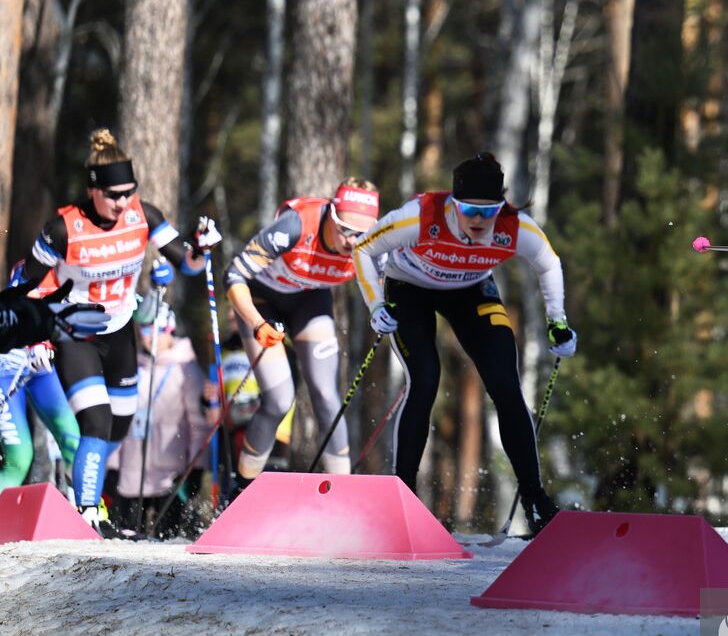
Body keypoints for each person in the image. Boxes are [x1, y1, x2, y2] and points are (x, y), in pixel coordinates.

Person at [352, 153, 574, 534]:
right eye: (469, 209)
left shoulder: (515, 227)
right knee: (425, 380)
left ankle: (535, 498)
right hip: (410, 288)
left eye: (488, 212)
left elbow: (549, 263)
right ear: (453, 203)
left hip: (471, 290)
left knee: (506, 384)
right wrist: (376, 305)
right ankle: (402, 497)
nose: (477, 220)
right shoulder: (419, 216)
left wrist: (559, 323)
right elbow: (362, 249)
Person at [18, 129, 219, 532]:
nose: (122, 202)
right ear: (93, 189)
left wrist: (202, 247)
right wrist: (35, 333)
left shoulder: (144, 215)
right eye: (113, 195)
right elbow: (26, 282)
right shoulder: (64, 227)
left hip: (120, 331)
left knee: (120, 425)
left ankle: (85, 484)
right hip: (74, 333)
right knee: (96, 422)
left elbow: (189, 264)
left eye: (129, 192)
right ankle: (88, 511)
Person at [223, 179, 381, 500]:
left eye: (363, 234)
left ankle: (342, 500)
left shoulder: (373, 244)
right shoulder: (297, 225)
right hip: (262, 301)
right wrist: (256, 324)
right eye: (347, 231)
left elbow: (398, 282)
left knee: (326, 395)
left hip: (309, 300)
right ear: (332, 217)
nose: (354, 242)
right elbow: (234, 275)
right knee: (280, 398)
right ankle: (240, 495)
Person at [110, 304, 208, 536]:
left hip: (171, 473)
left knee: (168, 537)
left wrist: (197, 467)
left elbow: (199, 424)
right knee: (125, 537)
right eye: (144, 331)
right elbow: (117, 419)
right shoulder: (133, 367)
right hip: (132, 471)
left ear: (170, 330)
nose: (150, 338)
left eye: (157, 330)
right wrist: (112, 464)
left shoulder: (188, 370)